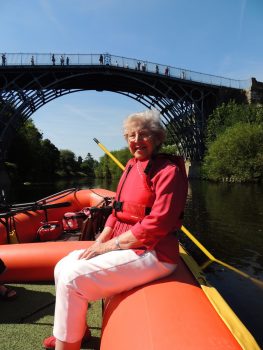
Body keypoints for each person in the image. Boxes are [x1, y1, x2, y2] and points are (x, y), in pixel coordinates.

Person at [43, 109, 188, 350]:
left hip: (155, 253)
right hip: (126, 246)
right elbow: (115, 212)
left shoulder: (168, 172)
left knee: (71, 279)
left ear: (157, 137)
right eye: (131, 136)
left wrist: (109, 247)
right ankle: (76, 332)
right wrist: (99, 243)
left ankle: (67, 345)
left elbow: (158, 224)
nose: (136, 141)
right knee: (62, 266)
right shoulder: (131, 166)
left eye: (143, 134)